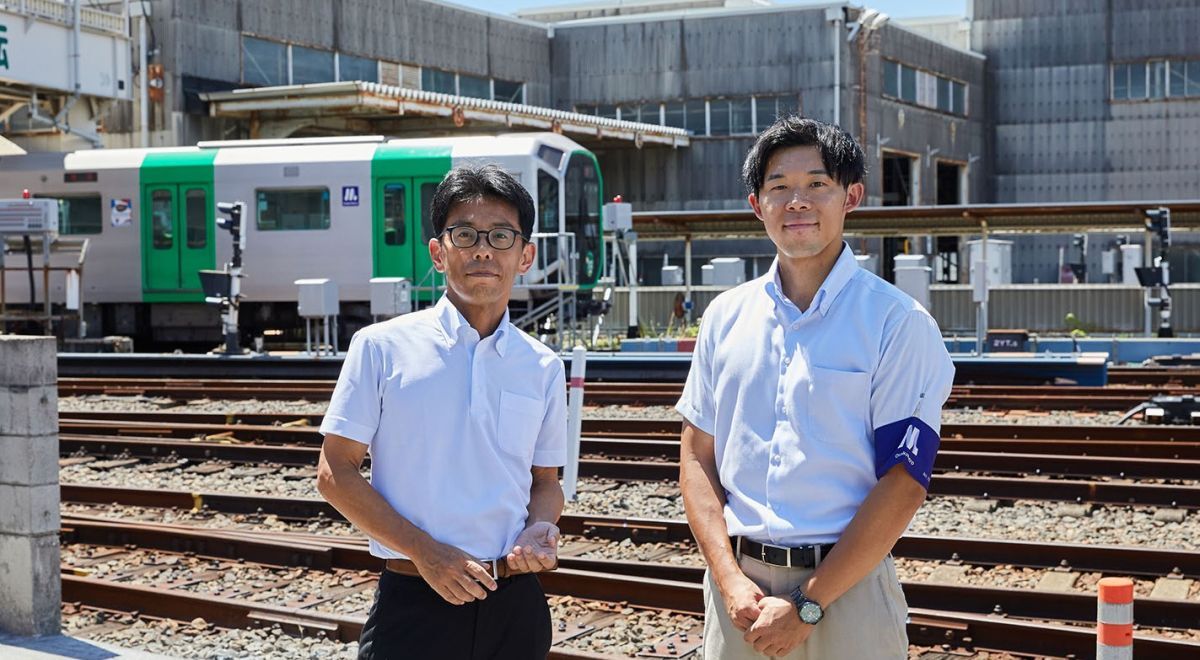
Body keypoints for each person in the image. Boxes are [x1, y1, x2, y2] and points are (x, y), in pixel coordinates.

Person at [676, 115, 955, 659]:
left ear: (851, 196)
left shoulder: (896, 322)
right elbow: (696, 457)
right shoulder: (724, 318)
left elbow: (904, 481)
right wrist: (729, 579)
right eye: (779, 187)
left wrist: (809, 602)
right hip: (741, 594)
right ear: (758, 206)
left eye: (817, 185)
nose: (796, 201)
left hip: (846, 590)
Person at [316, 164, 567, 660]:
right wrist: (425, 553)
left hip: (513, 604)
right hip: (414, 600)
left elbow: (546, 482)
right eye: (465, 234)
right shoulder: (381, 347)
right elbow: (333, 472)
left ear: (526, 256)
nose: (482, 250)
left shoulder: (542, 365)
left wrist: (540, 526)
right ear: (438, 252)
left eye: (501, 236)